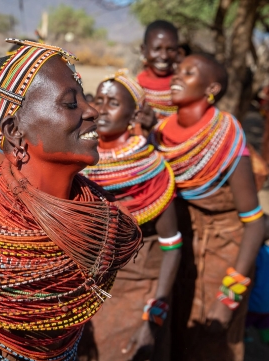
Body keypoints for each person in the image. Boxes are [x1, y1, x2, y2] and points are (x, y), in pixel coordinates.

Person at [0, 39, 143, 361]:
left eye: (84, 99)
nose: (92, 111)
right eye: (71, 103)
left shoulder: (96, 218)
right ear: (16, 133)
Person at [151, 54, 265, 361]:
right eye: (178, 71)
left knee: (212, 345)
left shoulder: (226, 135)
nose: (176, 76)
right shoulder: (159, 134)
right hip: (179, 253)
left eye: (188, 73)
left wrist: (228, 299)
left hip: (223, 255)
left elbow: (256, 223)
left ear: (211, 87)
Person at [79, 70, 180, 361]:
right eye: (99, 99)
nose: (102, 108)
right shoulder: (78, 160)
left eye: (113, 102)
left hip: (137, 290)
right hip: (86, 290)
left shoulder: (151, 170)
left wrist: (153, 318)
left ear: (134, 115)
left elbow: (172, 247)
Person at [137, 20, 180, 128]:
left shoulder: (186, 86)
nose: (164, 56)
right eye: (157, 49)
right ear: (143, 50)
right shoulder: (133, 87)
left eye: (170, 49)